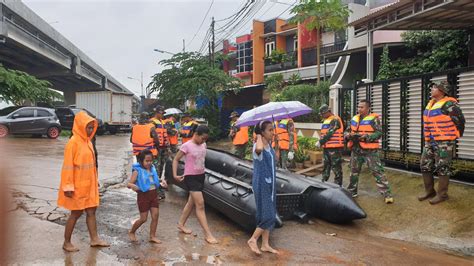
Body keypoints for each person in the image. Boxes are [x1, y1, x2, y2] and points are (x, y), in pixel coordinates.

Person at [57, 111, 109, 252]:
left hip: (89, 185)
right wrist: (68, 186)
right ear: (80, 126)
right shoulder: (73, 143)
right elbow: (67, 167)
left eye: (92, 127)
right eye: (88, 127)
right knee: (76, 214)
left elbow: (91, 165)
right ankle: (66, 242)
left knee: (92, 211)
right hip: (77, 186)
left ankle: (94, 239)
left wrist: (95, 180)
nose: (91, 130)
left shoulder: (88, 142)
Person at [418, 81, 465, 204]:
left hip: (444, 142)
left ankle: (442, 195)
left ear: (442, 91)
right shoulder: (431, 104)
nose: (432, 89)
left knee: (442, 167)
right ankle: (430, 191)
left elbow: (460, 121)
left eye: (434, 87)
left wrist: (452, 137)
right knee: (424, 164)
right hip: (430, 141)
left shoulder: (449, 104)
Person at [172, 124, 218, 244]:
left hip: (200, 176)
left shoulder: (203, 144)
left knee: (190, 203)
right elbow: (176, 159)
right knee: (200, 205)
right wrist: (175, 174)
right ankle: (208, 234)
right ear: (196, 134)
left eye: (205, 139)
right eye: (202, 138)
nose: (204, 141)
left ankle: (181, 224)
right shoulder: (186, 146)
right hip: (191, 177)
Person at [345, 99, 394, 204]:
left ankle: (387, 194)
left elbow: (379, 133)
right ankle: (352, 192)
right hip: (356, 149)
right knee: (353, 172)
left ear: (368, 108)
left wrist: (366, 136)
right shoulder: (354, 118)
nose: (359, 109)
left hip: (370, 151)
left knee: (377, 172)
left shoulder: (374, 119)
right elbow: (347, 130)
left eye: (362, 107)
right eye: (358, 107)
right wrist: (348, 135)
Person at [247, 120, 278, 255]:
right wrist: (258, 136)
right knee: (269, 214)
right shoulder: (256, 146)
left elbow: (275, 159)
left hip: (271, 183)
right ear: (262, 132)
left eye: (273, 129)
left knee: (264, 213)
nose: (273, 132)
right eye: (270, 130)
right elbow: (259, 149)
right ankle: (253, 239)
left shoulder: (269, 145)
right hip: (261, 183)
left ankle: (265, 244)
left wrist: (277, 146)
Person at [127, 149, 168, 243]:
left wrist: (162, 182)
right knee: (143, 218)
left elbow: (156, 180)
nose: (149, 163)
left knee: (155, 216)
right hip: (143, 196)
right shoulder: (137, 171)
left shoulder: (152, 168)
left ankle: (152, 236)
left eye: (151, 161)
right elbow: (129, 184)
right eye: (147, 161)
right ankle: (132, 232)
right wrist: (133, 186)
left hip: (153, 195)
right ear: (141, 161)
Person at [316, 104, 344, 186]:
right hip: (327, 147)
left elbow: (330, 133)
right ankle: (323, 182)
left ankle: (338, 185)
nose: (322, 115)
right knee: (326, 165)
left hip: (335, 148)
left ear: (327, 112)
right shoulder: (326, 120)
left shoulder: (335, 120)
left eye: (322, 114)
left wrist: (320, 142)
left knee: (336, 167)